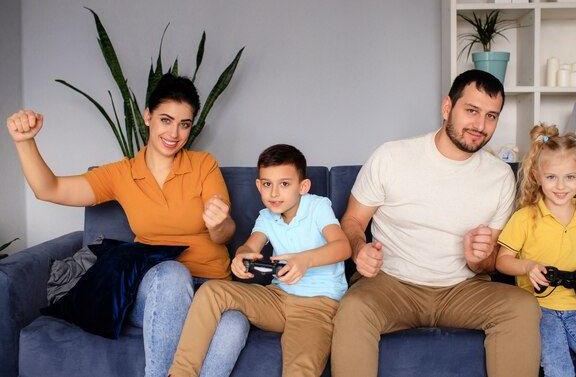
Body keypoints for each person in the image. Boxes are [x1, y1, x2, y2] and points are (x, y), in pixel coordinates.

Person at [6, 74, 250, 377]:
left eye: (184, 124)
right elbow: (50, 188)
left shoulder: (204, 165)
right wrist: (25, 142)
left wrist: (220, 222)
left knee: (235, 324)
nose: (174, 133)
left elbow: (225, 235)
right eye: (165, 119)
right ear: (147, 116)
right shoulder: (121, 174)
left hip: (211, 288)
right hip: (158, 288)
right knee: (174, 273)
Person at [330, 69, 542, 377]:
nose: (480, 126)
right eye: (472, 111)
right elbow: (351, 220)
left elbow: (495, 260)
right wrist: (358, 249)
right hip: (392, 285)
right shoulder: (391, 157)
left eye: (491, 116)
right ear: (447, 108)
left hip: (462, 288)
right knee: (353, 309)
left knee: (521, 306)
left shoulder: (500, 176)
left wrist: (480, 259)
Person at [169, 144, 351, 377]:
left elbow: (343, 247)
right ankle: (181, 373)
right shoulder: (266, 217)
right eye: (267, 184)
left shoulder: (317, 206)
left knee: (300, 368)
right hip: (278, 299)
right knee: (211, 291)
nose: (274, 193)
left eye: (284, 184)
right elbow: (249, 246)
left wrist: (306, 260)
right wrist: (240, 256)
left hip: (317, 307)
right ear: (259, 186)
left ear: (303, 186)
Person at [496, 123, 576, 377]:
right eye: (552, 177)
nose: (560, 186)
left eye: (569, 177)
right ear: (537, 177)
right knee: (558, 368)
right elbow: (502, 261)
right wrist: (527, 266)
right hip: (538, 308)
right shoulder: (524, 218)